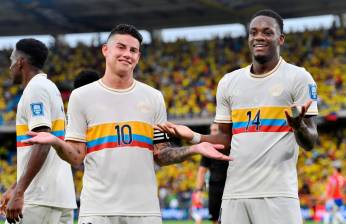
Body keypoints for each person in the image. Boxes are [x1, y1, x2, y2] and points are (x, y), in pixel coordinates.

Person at [22, 24, 231, 224]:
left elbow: (162, 154)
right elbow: (76, 156)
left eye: (133, 50)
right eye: (120, 47)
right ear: (105, 50)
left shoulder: (153, 97)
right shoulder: (81, 97)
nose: (127, 54)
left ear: (138, 56)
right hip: (98, 210)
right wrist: (56, 143)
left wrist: (194, 148)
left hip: (144, 211)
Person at [156, 9, 318, 224]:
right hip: (235, 193)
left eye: (267, 32)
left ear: (280, 39)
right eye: (254, 32)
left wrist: (299, 127)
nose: (259, 36)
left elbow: (311, 141)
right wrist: (194, 136)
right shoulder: (229, 82)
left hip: (277, 194)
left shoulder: (299, 77)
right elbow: (226, 139)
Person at [0, 38, 76, 223]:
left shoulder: (36, 89)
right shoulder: (48, 87)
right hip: (55, 195)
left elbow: (43, 144)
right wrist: (15, 187)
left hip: (40, 198)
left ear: (20, 62)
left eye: (11, 61)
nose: (10, 67)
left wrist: (20, 192)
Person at [194, 123, 228, 224]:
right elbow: (202, 171)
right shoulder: (208, 149)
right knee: (214, 219)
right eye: (211, 130)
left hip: (229, 187)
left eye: (215, 130)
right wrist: (198, 190)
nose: (212, 133)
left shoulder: (231, 146)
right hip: (214, 188)